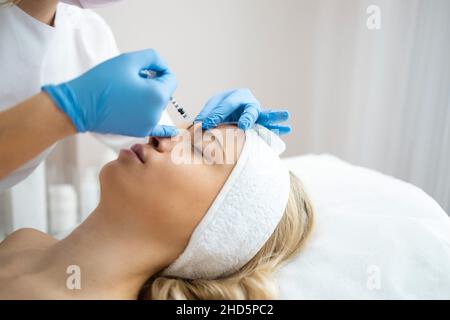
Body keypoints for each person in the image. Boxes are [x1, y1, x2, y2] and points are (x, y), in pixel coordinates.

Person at [0, 0, 291, 192]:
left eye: (200, 148)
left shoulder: (84, 35)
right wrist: (63, 111)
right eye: (200, 147)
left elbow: (154, 141)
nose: (162, 143)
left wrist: (207, 131)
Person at [0, 123, 312, 299]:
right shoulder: (25, 240)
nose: (159, 134)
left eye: (199, 149)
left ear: (216, 231)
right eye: (183, 130)